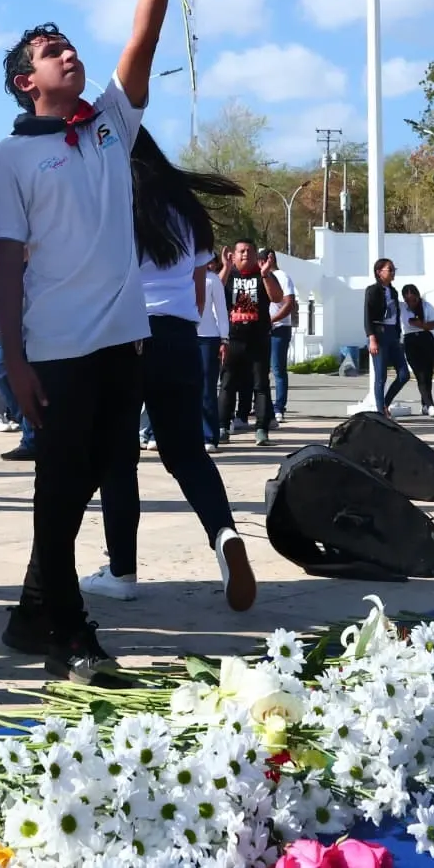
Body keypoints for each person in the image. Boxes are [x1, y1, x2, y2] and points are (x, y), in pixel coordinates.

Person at [0, 0, 182, 680]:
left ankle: (33, 612)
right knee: (59, 491)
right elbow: (5, 266)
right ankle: (68, 634)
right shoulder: (8, 160)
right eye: (49, 52)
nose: (69, 53)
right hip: (58, 352)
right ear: (26, 82)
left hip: (121, 346)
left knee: (89, 481)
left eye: (69, 45)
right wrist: (17, 363)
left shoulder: (106, 124)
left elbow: (146, 30)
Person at [79, 128, 255, 612]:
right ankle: (224, 535)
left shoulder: (114, 202)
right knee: (188, 455)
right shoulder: (186, 209)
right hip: (181, 337)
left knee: (118, 458)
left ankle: (122, 572)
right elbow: (198, 291)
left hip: (127, 335)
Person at [218, 240, 282, 446]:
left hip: (258, 339)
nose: (245, 254)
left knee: (261, 385)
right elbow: (214, 294)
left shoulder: (263, 274)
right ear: (233, 255)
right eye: (241, 251)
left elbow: (277, 296)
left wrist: (265, 274)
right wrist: (226, 269)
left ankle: (261, 429)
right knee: (227, 384)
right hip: (232, 340)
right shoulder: (228, 275)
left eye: (249, 251)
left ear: (256, 255)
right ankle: (222, 427)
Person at [364, 258, 408, 418]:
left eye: (393, 269)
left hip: (393, 334)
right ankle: (380, 412)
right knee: (381, 376)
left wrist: (398, 334)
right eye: (390, 270)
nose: (393, 272)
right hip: (379, 333)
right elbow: (367, 316)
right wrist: (372, 338)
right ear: (379, 272)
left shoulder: (394, 291)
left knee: (404, 374)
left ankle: (385, 403)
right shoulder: (372, 290)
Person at [196, 256, 229, 453]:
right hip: (184, 335)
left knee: (207, 388)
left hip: (208, 338)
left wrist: (224, 339)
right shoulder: (181, 277)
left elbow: (221, 311)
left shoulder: (212, 279)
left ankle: (209, 435)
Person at [262, 248, 297, 424]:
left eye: (261, 260)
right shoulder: (259, 277)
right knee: (261, 370)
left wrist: (272, 320)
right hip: (262, 330)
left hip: (279, 329)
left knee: (278, 369)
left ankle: (279, 407)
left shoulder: (283, 276)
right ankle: (263, 406)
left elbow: (289, 303)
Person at [401, 283, 434, 417]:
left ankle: (425, 404)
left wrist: (421, 324)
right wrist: (424, 324)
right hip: (411, 341)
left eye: (413, 299)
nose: (411, 303)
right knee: (420, 374)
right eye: (407, 300)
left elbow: (432, 325)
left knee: (428, 373)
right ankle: (430, 405)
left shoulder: (426, 306)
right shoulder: (403, 308)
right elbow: (410, 323)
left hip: (426, 340)